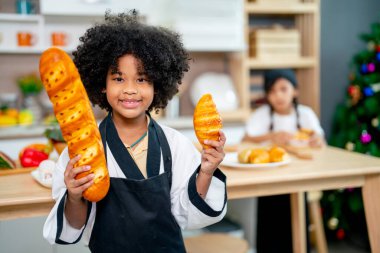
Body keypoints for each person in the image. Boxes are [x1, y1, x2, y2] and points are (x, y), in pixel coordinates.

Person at [43, 11, 227, 253]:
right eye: (119, 79)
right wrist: (74, 196)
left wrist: (206, 170)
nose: (130, 90)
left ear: (157, 84)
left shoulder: (175, 144)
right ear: (102, 83)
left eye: (142, 79)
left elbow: (187, 216)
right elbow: (73, 227)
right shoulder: (81, 150)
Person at [242, 69, 324, 253]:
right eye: (271, 91)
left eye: (283, 89)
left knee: (296, 221)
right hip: (269, 180)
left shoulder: (305, 114)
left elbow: (320, 141)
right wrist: (271, 136)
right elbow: (245, 141)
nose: (277, 95)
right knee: (270, 223)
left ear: (295, 90)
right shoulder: (262, 115)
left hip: (299, 179)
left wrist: (317, 140)